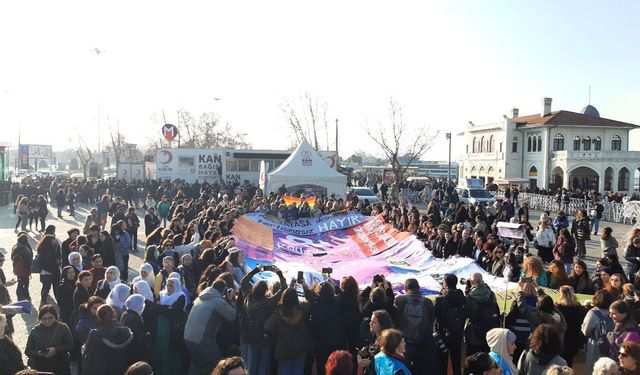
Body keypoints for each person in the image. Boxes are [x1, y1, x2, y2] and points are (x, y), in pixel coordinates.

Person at [239, 265, 286, 375]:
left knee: (253, 363)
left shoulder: (248, 298)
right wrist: (279, 273)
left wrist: (256, 270)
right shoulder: (269, 303)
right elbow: (283, 288)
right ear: (266, 291)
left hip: (251, 335)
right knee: (263, 364)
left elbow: (243, 282)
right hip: (265, 338)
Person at [184, 278, 237, 375]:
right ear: (223, 290)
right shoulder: (217, 300)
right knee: (221, 364)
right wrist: (230, 300)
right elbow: (233, 316)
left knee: (196, 364)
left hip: (188, 336)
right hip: (201, 339)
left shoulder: (202, 296)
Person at [265, 287, 313, 375]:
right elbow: (311, 299)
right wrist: (305, 287)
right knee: (298, 370)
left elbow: (267, 326)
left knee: (284, 371)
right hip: (300, 347)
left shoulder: (278, 314)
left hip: (284, 349)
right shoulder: (303, 309)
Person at [393, 278, 435, 374]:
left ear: (405, 287)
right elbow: (431, 319)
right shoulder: (427, 302)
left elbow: (395, 319)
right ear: (418, 288)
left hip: (403, 342)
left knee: (403, 369)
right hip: (422, 342)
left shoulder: (400, 300)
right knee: (420, 369)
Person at [81, 304, 133, 375]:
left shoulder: (95, 334)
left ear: (99, 316)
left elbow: (88, 355)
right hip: (120, 368)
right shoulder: (124, 332)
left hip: (101, 370)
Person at [25, 305, 74, 375]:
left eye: (50, 318)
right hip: (41, 368)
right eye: (44, 319)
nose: (47, 321)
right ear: (40, 318)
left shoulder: (63, 328)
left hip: (61, 367)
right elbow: (28, 351)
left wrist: (56, 350)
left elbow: (70, 346)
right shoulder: (35, 331)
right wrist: (38, 353)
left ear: (55, 317)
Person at [152, 277, 186, 375]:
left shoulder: (180, 296)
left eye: (171, 285)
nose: (169, 287)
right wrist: (168, 307)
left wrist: (162, 308)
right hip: (160, 326)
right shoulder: (161, 294)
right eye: (167, 285)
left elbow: (175, 312)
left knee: (170, 349)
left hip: (172, 328)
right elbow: (155, 308)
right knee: (159, 346)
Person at [434, 273, 466, 375]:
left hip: (443, 334)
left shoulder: (440, 300)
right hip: (458, 333)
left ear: (446, 284)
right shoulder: (463, 298)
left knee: (442, 361)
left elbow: (434, 315)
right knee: (456, 361)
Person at [464, 273, 500, 355]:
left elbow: (466, 314)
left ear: (471, 281)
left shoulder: (469, 297)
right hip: (490, 329)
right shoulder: (491, 294)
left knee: (472, 359)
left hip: (474, 332)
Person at [582, 290, 615, 375]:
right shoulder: (613, 312)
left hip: (595, 346)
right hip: (611, 345)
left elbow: (586, 331)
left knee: (595, 369)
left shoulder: (593, 313)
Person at [555, 285, 587, 366]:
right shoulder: (579, 308)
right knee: (569, 363)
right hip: (574, 338)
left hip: (561, 338)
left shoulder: (558, 308)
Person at [358, 309, 394, 375]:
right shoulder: (374, 335)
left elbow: (388, 362)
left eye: (373, 322)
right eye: (371, 321)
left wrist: (370, 363)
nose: (370, 323)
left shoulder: (387, 340)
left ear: (382, 325)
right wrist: (366, 348)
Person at [121, 294, 149, 364]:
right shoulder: (134, 318)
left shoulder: (125, 313)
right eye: (142, 304)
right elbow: (140, 337)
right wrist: (148, 336)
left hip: (127, 350)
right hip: (135, 352)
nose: (143, 306)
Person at [36, 234, 62, 306]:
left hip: (55, 270)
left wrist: (58, 261)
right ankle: (43, 300)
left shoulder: (55, 247)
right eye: (53, 240)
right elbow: (45, 262)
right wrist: (55, 262)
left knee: (56, 286)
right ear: (49, 241)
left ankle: (59, 300)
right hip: (47, 271)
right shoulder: (43, 250)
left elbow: (59, 255)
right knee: (46, 287)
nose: (55, 241)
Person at [11, 233, 32, 301]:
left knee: (22, 282)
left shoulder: (16, 246)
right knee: (24, 283)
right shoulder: (25, 247)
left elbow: (12, 258)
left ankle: (22, 296)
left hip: (18, 269)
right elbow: (29, 258)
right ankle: (23, 296)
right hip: (25, 269)